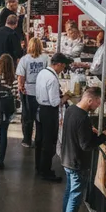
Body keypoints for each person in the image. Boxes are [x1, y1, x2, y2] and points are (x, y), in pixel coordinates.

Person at [60, 86, 106, 212]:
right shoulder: (83, 118)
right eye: (97, 103)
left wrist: (88, 131)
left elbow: (74, 133)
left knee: (69, 194)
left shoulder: (71, 110)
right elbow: (86, 145)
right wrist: (104, 136)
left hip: (67, 158)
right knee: (75, 197)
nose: (98, 106)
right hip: (77, 163)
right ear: (90, 99)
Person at [35, 52, 72, 182]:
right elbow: (55, 102)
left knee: (40, 140)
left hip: (40, 108)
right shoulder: (52, 78)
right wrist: (66, 97)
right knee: (49, 142)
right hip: (49, 112)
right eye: (63, 66)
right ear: (59, 64)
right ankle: (46, 171)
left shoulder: (42, 73)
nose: (63, 69)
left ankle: (39, 166)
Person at [16, 37, 49, 148]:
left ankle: (27, 140)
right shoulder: (45, 58)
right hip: (42, 90)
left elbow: (21, 76)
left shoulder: (24, 59)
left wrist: (20, 86)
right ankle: (39, 139)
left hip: (28, 90)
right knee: (40, 116)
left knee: (28, 116)